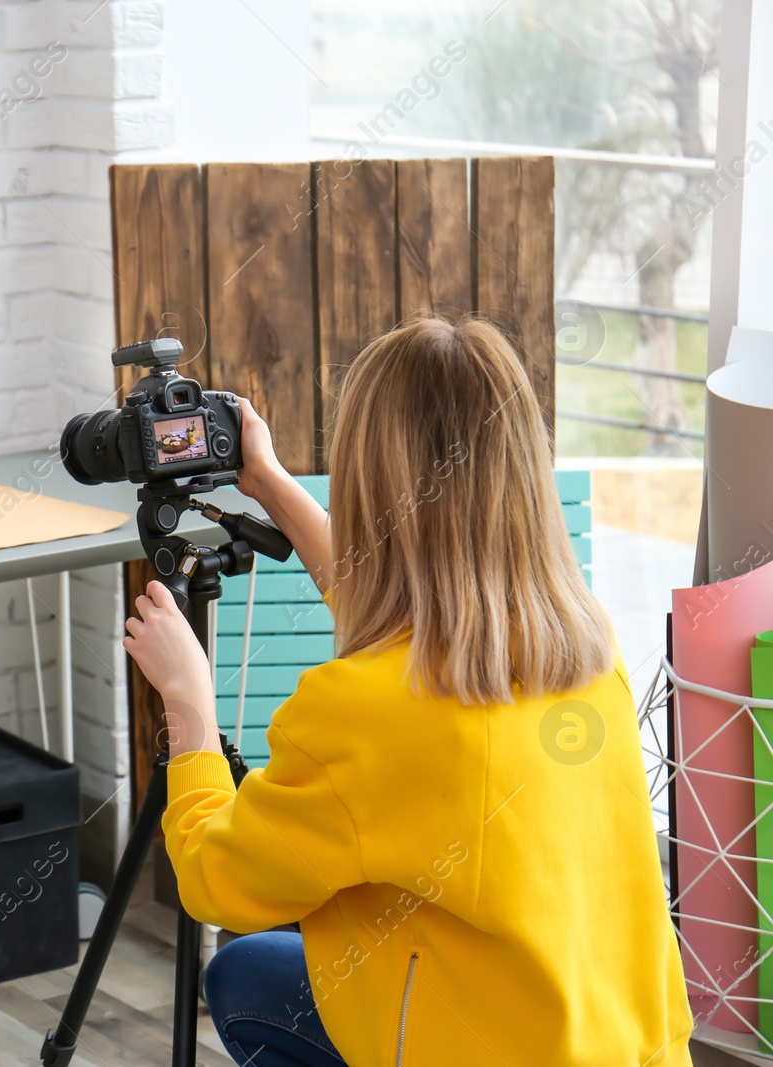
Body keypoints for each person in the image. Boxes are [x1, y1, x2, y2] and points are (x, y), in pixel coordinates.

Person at [122, 317, 692, 1066]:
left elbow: (212, 880)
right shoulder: (585, 644)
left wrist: (188, 701)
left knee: (242, 971)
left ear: (369, 482)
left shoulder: (361, 710)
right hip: (627, 1047)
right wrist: (268, 482)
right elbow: (406, 616)